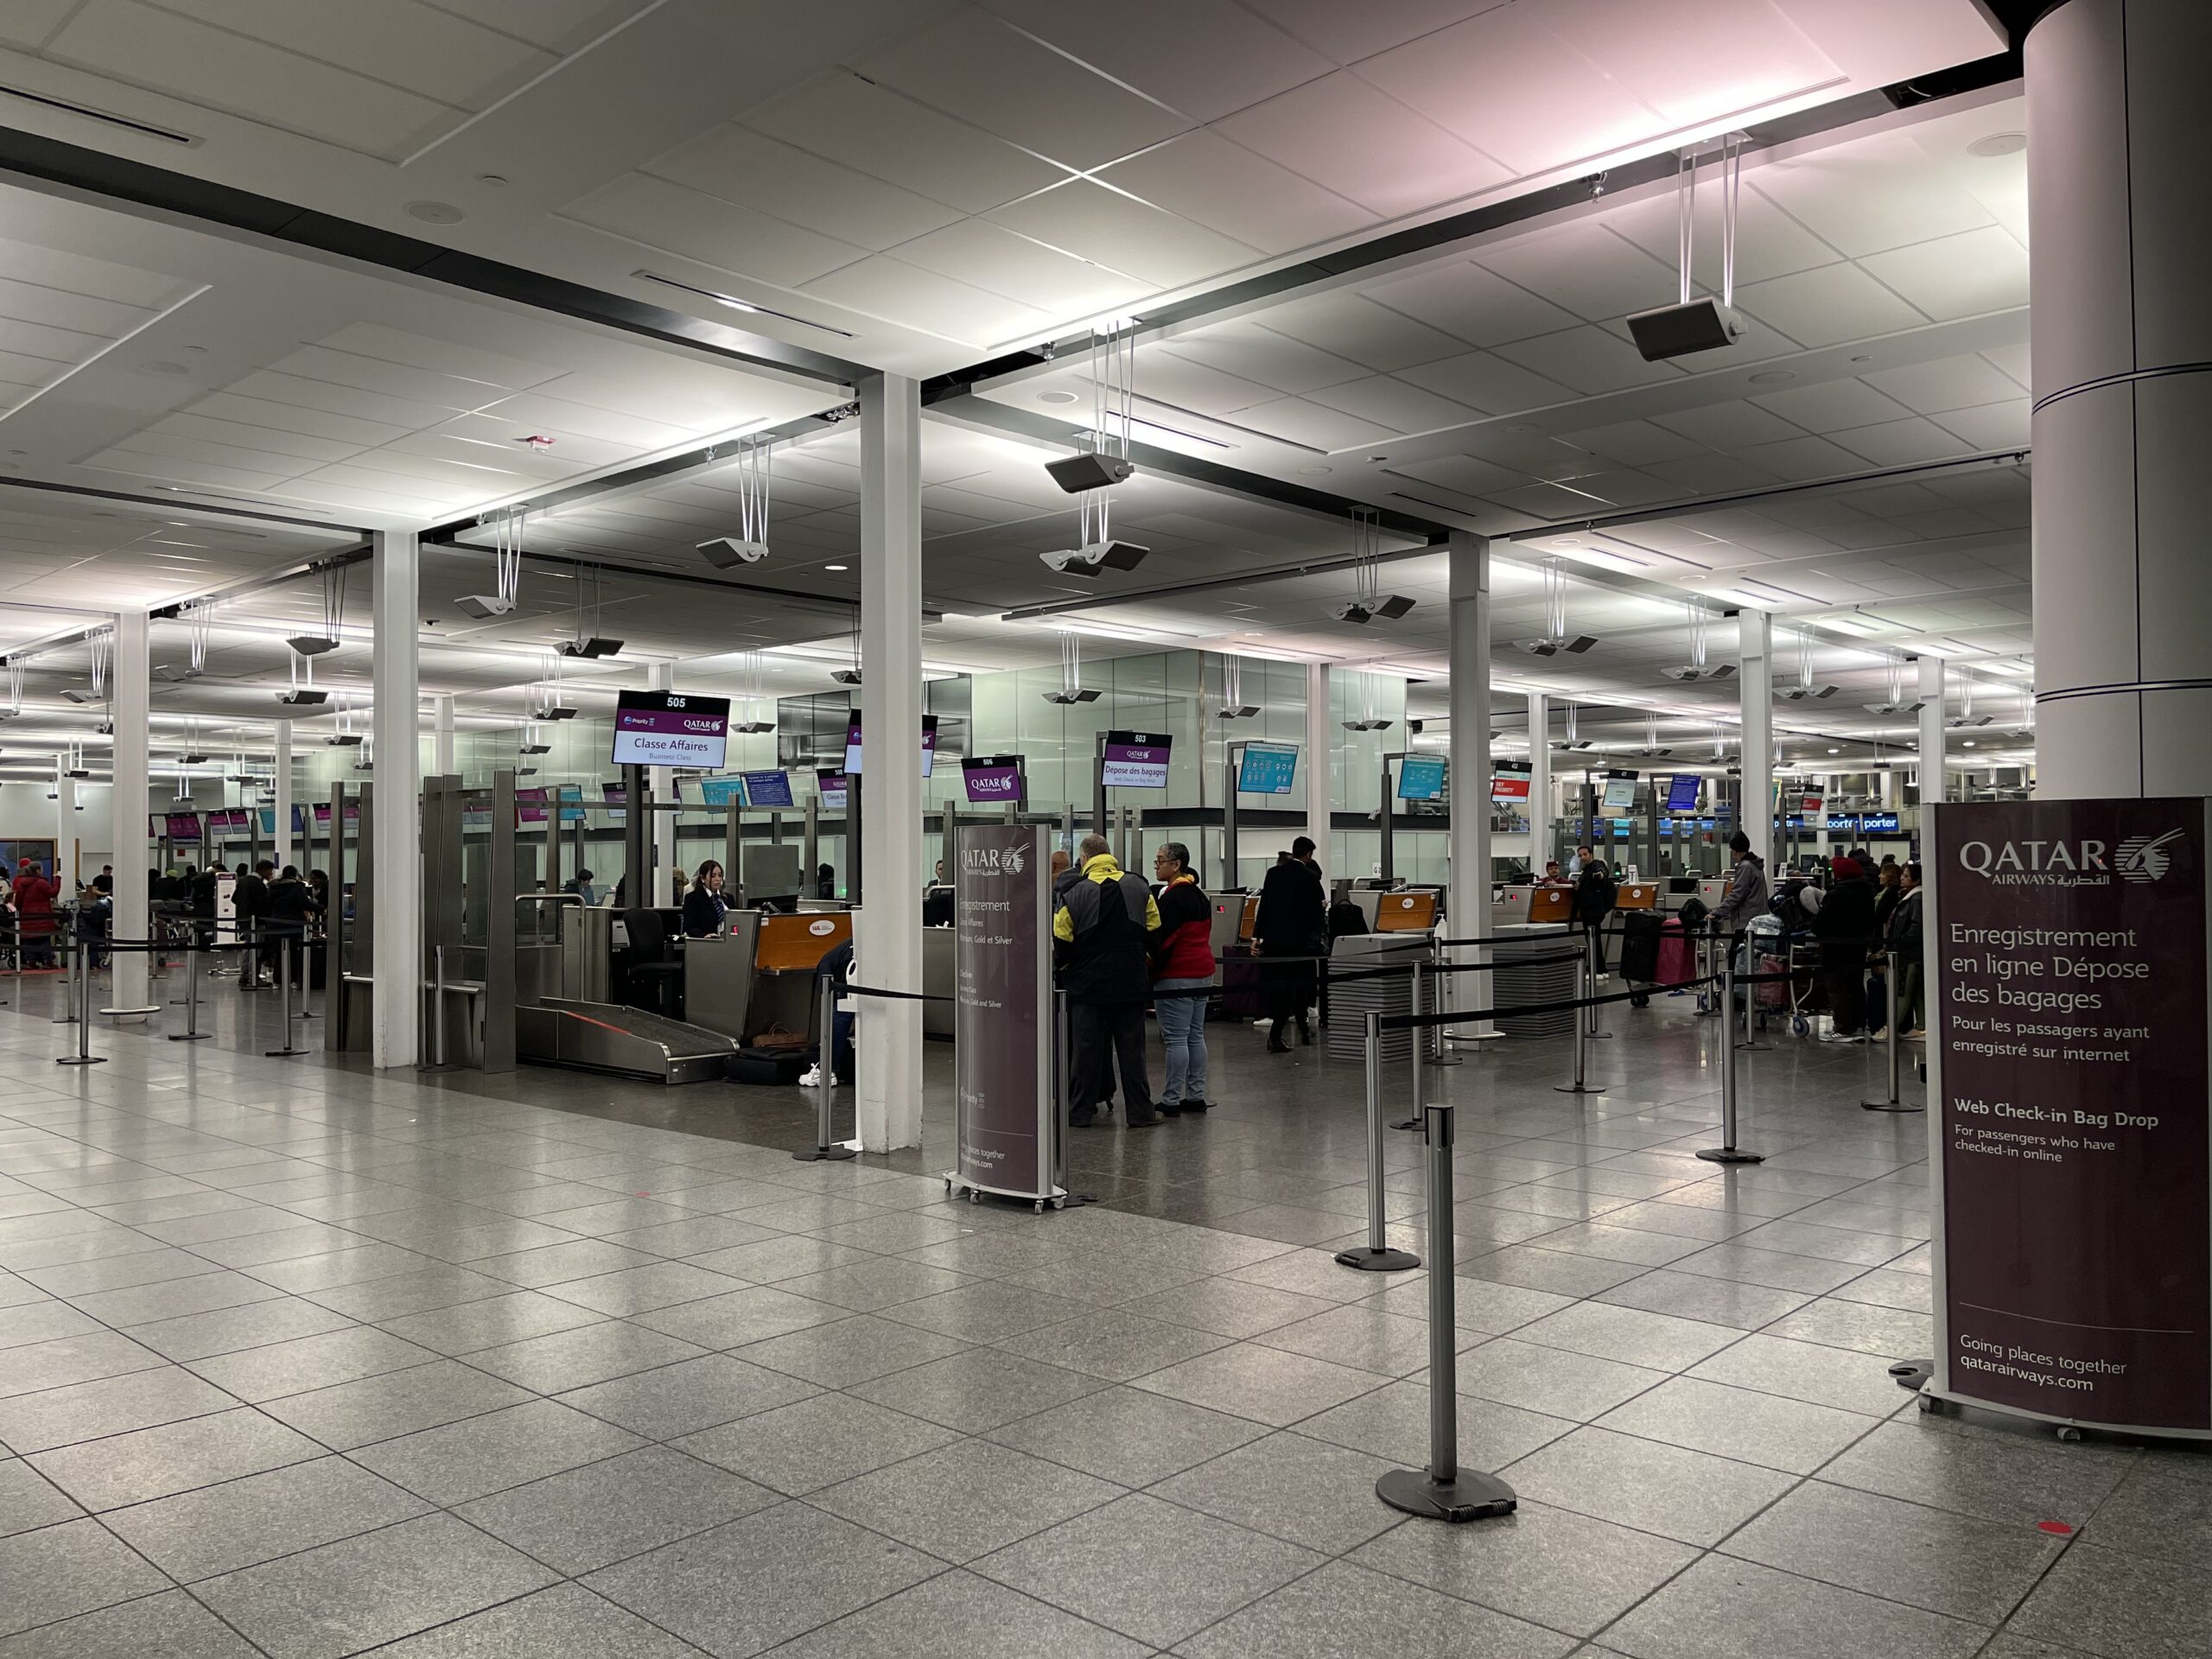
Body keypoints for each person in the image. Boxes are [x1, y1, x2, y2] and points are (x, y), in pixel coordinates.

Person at [1053, 834, 1160, 1128]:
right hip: (1130, 982)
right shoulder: (1140, 886)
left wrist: (1067, 967)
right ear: (1109, 855)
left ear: (1085, 859)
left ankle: (1079, 1113)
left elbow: (1062, 940)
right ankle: (1140, 1112)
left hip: (1088, 986)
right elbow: (1154, 931)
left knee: (1086, 1051)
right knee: (1132, 1050)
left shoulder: (1073, 892)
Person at [1148, 842, 1211, 1116]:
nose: (1156, 865)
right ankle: (1196, 1096)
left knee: (1175, 1039)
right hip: (1203, 971)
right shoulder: (1200, 896)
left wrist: (1148, 971)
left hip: (1177, 975)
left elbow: (1164, 942)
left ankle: (1171, 1100)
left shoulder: (1172, 899)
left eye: (1160, 860)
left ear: (1176, 864)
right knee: (1195, 1035)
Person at [1254, 843, 1325, 1053]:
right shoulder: (1310, 877)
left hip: (1275, 942)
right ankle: (1280, 1036)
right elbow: (1317, 913)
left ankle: (1298, 1030)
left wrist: (1257, 936)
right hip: (1298, 944)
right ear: (1309, 854)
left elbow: (1265, 905)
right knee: (1295, 987)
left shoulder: (1273, 874)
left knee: (1283, 988)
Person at [1813, 854, 1875, 1042]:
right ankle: (1858, 1025)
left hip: (1835, 949)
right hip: (1858, 947)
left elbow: (1821, 923)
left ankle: (1843, 1028)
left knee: (1837, 988)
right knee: (1856, 986)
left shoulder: (1835, 895)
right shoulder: (1867, 892)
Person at [264, 865, 320, 987]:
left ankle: (277, 980)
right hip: (293, 924)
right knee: (294, 952)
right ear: (295, 875)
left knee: (279, 953)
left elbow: (267, 905)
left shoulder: (274, 888)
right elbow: (304, 903)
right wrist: (321, 909)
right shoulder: (297, 888)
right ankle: (293, 979)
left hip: (276, 925)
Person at [1889, 862, 1924, 1038]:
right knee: (1917, 991)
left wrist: (1899, 942)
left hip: (1909, 953)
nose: (1902, 878)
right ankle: (1922, 1026)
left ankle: (1891, 1028)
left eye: (1906, 876)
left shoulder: (1916, 899)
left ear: (1917, 880)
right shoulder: (1908, 897)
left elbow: (1916, 927)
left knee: (1903, 990)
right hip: (1911, 952)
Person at [1574, 856, 1618, 976]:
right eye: (1580, 855)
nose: (1583, 857)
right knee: (1593, 941)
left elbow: (1601, 872)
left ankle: (1597, 970)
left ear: (1591, 854)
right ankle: (1600, 969)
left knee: (1593, 941)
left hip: (1592, 911)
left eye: (1585, 854)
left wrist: (1600, 874)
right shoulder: (1585, 871)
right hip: (1591, 910)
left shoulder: (1596, 865)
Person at [233, 860, 271, 988]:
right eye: (269, 870)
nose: (271, 873)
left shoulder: (243, 881)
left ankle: (243, 976)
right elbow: (264, 903)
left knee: (247, 948)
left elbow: (234, 899)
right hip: (256, 921)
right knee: (256, 949)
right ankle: (253, 977)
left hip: (243, 920)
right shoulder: (258, 884)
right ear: (263, 870)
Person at [14, 858, 56, 969]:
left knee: (29, 939)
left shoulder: (22, 883)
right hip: (42, 915)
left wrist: (20, 911)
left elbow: (18, 900)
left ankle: (30, 961)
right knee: (44, 939)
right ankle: (48, 961)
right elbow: (53, 893)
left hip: (27, 915)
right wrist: (58, 879)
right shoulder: (41, 883)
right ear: (37, 870)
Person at [683, 859, 728, 938]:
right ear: (703, 878)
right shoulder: (693, 898)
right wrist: (704, 936)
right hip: (707, 943)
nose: (717, 879)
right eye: (713, 876)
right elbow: (689, 927)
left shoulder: (728, 898)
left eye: (720, 875)